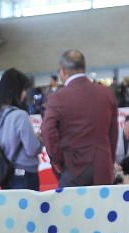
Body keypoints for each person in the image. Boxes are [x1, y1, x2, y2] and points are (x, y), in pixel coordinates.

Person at [40, 49, 118, 188]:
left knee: (71, 209)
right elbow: (113, 133)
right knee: (104, 209)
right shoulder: (106, 93)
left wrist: (57, 160)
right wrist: (108, 160)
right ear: (83, 68)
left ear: (63, 71)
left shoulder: (57, 97)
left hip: (72, 168)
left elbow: (47, 131)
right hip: (102, 166)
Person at [0, 68, 43, 191]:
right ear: (15, 90)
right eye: (24, 89)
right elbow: (32, 149)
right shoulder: (20, 115)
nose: (25, 94)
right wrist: (40, 139)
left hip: (6, 174)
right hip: (25, 174)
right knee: (30, 209)